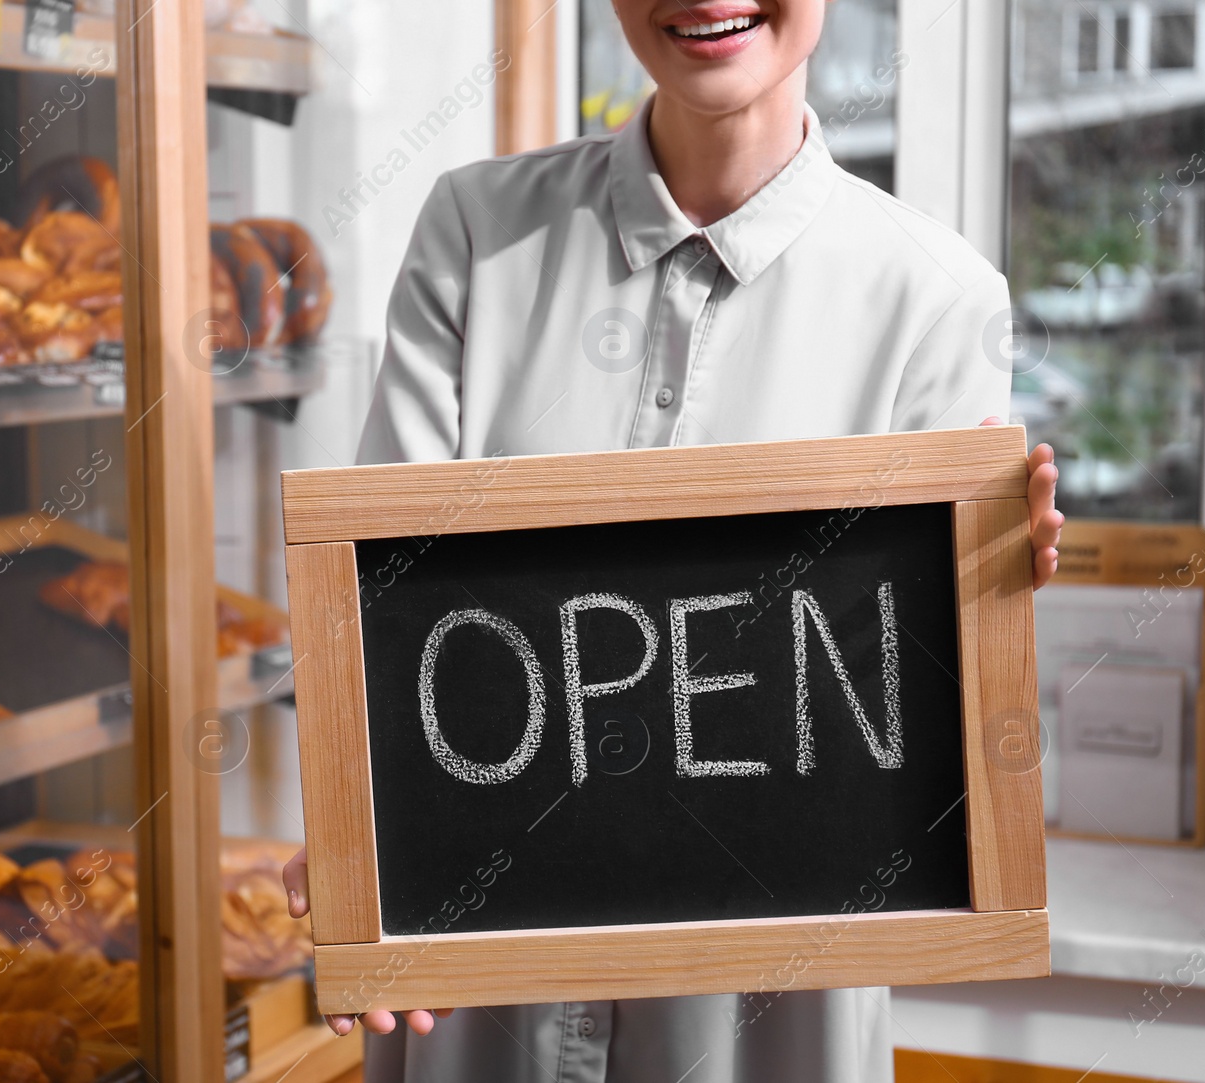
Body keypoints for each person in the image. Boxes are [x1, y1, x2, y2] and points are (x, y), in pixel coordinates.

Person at [283, 1, 1064, 1080]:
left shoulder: (934, 300)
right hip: (476, 1012)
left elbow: (906, 744)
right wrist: (352, 834)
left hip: (764, 1034)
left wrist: (980, 607)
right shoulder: (475, 233)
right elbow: (387, 609)